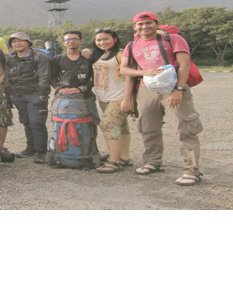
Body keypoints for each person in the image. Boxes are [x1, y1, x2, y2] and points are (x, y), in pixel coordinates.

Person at [120, 11, 203, 185]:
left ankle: (191, 170)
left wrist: (179, 89)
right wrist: (144, 73)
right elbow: (125, 69)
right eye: (140, 24)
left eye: (149, 23)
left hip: (172, 88)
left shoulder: (172, 39)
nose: (144, 27)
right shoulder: (132, 45)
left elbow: (184, 64)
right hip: (146, 88)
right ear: (134, 27)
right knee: (148, 127)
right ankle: (153, 161)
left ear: (157, 24)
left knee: (184, 128)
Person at [88, 28, 133, 173]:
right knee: (121, 127)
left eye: (105, 39)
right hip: (104, 97)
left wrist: (127, 99)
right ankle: (123, 157)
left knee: (108, 125)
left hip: (119, 97)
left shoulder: (121, 55)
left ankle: (113, 161)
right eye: (99, 40)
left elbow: (129, 77)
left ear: (114, 39)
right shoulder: (99, 55)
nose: (102, 42)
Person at [4, 31, 51, 163]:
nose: (17, 43)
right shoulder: (10, 58)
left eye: (20, 40)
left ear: (28, 42)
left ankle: (42, 152)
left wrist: (43, 94)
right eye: (14, 41)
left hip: (35, 95)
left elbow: (44, 76)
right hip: (18, 95)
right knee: (26, 122)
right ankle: (31, 148)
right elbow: (7, 76)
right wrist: (10, 94)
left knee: (37, 123)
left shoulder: (39, 57)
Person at [50, 29, 101, 126]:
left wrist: (80, 89)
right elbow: (52, 77)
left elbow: (95, 78)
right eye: (68, 39)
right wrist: (58, 89)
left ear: (81, 41)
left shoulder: (88, 58)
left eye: (75, 39)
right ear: (63, 43)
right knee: (63, 122)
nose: (71, 41)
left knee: (91, 122)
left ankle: (91, 140)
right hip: (63, 96)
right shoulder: (57, 59)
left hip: (86, 96)